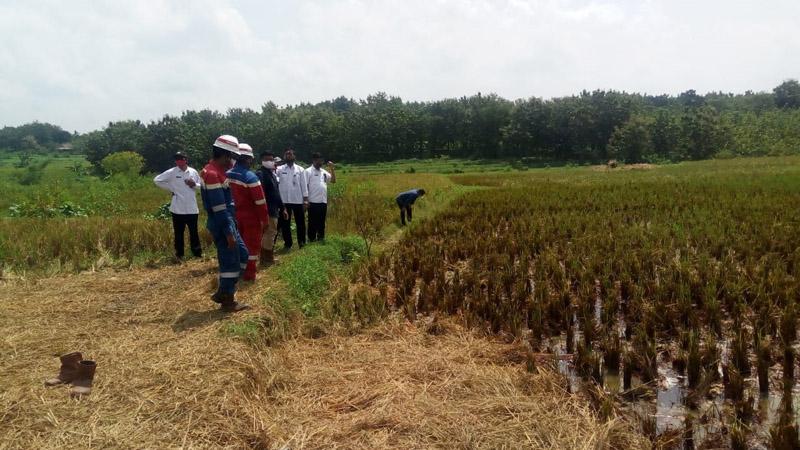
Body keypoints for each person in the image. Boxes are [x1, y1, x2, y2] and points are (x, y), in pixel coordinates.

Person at [200, 135, 250, 312]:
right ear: (224, 154)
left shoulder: (214, 170)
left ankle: (224, 291)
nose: (233, 161)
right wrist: (229, 233)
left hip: (228, 222)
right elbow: (219, 208)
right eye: (232, 156)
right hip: (223, 224)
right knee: (230, 263)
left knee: (243, 256)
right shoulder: (213, 174)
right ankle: (227, 300)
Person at [227, 143, 269, 282]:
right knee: (251, 246)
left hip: (233, 216)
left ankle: (238, 271)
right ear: (248, 159)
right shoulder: (250, 177)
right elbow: (260, 202)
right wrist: (265, 220)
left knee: (239, 245)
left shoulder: (227, 174)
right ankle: (249, 274)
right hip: (251, 217)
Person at [153, 152, 203, 260]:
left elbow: (202, 186)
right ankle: (179, 255)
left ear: (186, 160)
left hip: (192, 208)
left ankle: (197, 254)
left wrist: (194, 184)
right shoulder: (172, 172)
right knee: (178, 233)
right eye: (176, 159)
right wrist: (171, 188)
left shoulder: (193, 172)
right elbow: (157, 180)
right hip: (177, 208)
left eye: (181, 159)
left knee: (194, 232)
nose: (178, 161)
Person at [276, 148, 308, 249]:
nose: (289, 156)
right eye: (287, 154)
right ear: (284, 156)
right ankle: (288, 244)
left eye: (291, 154)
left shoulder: (300, 169)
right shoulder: (279, 169)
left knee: (300, 223)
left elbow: (304, 185)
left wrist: (306, 200)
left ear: (294, 156)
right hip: (284, 201)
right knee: (285, 224)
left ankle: (302, 243)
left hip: (298, 200)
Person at [256, 151, 284, 265]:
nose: (270, 161)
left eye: (271, 159)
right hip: (267, 209)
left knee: (270, 233)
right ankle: (267, 258)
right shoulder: (260, 174)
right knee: (269, 233)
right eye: (267, 159)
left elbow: (276, 193)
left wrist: (283, 208)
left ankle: (266, 257)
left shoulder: (272, 174)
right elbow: (260, 193)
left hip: (274, 208)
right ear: (262, 161)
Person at [305, 152, 335, 242]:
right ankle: (311, 239)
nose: (321, 162)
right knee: (312, 222)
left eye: (321, 160)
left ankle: (321, 238)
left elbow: (333, 180)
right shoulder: (308, 171)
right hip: (312, 201)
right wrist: (306, 200)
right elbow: (305, 185)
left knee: (321, 222)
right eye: (318, 160)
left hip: (323, 201)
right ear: (314, 160)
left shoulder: (323, 172)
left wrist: (332, 169)